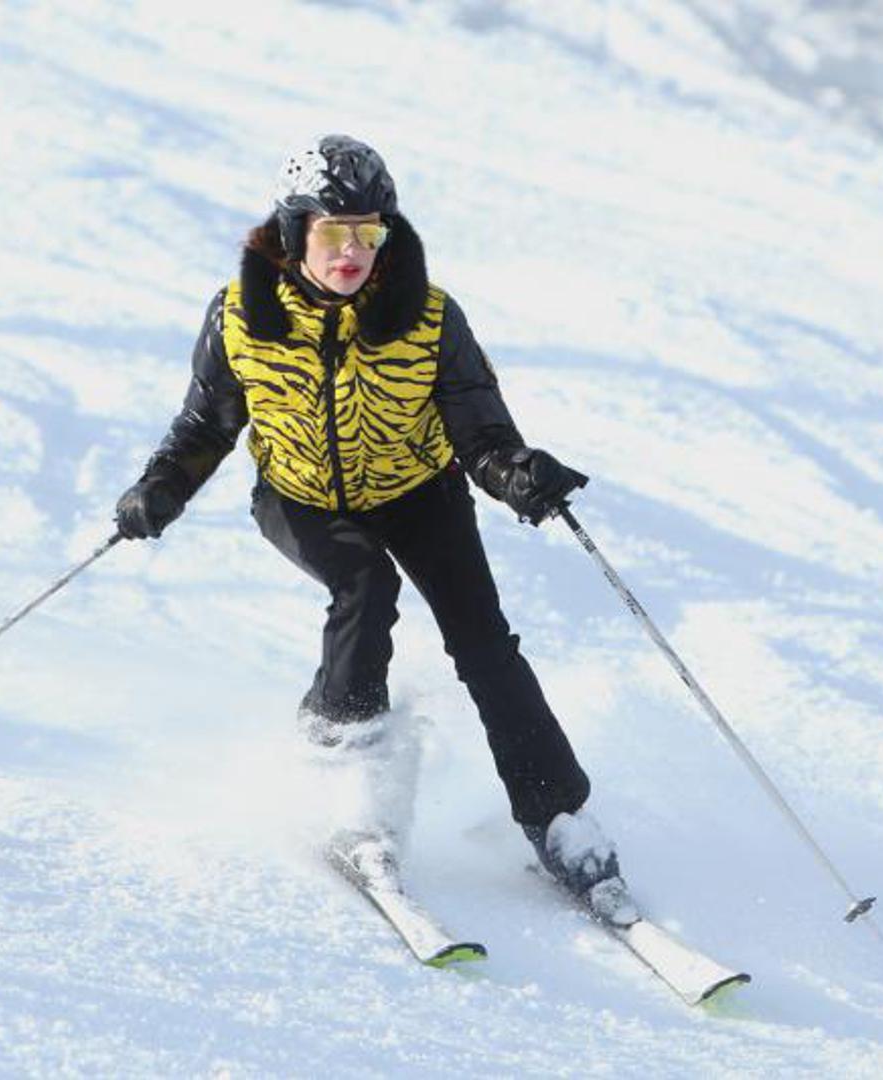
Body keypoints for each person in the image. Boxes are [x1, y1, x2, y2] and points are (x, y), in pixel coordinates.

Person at [115, 135, 632, 921]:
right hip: (301, 497)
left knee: (484, 646)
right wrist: (161, 487)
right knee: (363, 584)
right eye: (333, 232)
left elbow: (481, 435)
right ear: (294, 232)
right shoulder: (241, 316)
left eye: (368, 232)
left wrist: (520, 476)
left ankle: (556, 815)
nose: (352, 251)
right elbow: (206, 424)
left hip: (418, 492)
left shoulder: (427, 317)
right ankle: (343, 781)